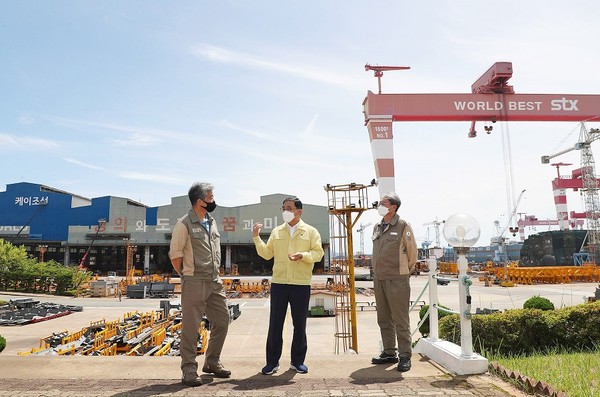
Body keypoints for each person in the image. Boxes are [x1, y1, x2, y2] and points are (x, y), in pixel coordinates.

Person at [252, 197, 324, 375]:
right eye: (283, 208)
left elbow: (318, 253)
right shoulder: (277, 232)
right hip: (279, 284)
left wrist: (303, 255)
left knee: (299, 325)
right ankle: (272, 362)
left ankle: (297, 361)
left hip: (300, 284)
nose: (285, 211)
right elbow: (267, 254)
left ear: (299, 211)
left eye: (289, 208)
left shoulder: (310, 232)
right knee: (275, 324)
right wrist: (256, 237)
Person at [169, 182, 231, 387]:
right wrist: (187, 275)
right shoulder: (184, 224)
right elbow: (175, 256)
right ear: (200, 201)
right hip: (194, 281)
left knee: (223, 320)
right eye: (211, 198)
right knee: (191, 327)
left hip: (214, 281)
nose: (214, 201)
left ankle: (212, 362)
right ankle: (188, 369)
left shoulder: (211, 222)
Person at [370, 192, 418, 372]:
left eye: (383, 203)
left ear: (393, 207)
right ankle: (390, 352)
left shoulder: (403, 225)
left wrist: (406, 271)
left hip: (398, 279)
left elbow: (412, 252)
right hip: (380, 278)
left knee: (400, 319)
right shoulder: (377, 226)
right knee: (383, 318)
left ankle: (405, 355)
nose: (379, 205)